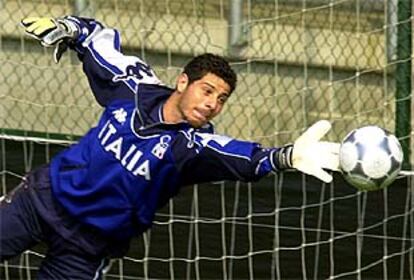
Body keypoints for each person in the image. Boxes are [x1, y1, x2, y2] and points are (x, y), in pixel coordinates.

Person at [0, 16, 340, 279]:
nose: (212, 104)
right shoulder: (132, 87)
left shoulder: (192, 146)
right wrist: (68, 27)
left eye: (221, 99)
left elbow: (250, 159)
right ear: (182, 82)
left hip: (87, 246)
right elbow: (96, 40)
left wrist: (288, 157)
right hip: (40, 201)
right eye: (207, 91)